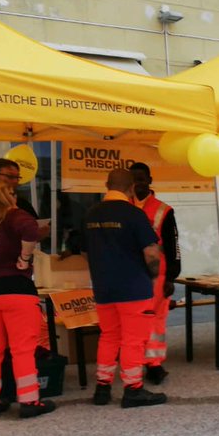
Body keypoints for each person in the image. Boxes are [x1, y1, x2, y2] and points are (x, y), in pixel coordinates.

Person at [84, 169, 167, 408]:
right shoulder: (134, 214)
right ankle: (133, 389)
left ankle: (102, 388)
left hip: (103, 288)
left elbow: (83, 250)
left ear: (106, 184)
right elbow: (151, 253)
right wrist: (152, 277)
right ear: (131, 188)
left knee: (108, 336)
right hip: (133, 288)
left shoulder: (91, 214)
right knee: (133, 340)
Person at [0, 182, 55, 418]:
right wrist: (24, 258)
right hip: (16, 290)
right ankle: (29, 400)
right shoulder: (14, 215)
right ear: (9, 195)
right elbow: (31, 230)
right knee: (22, 349)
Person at [128, 163, 180, 385]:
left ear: (150, 180)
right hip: (130, 272)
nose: (138, 184)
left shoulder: (163, 210)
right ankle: (134, 361)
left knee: (156, 321)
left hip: (157, 275)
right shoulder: (122, 207)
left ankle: (155, 365)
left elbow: (173, 245)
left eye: (142, 179)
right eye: (134, 180)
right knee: (134, 319)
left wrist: (171, 277)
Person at [0, 158, 49, 240]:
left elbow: (34, 230)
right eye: (10, 176)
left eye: (17, 177)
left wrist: (39, 234)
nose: (15, 181)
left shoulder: (22, 203)